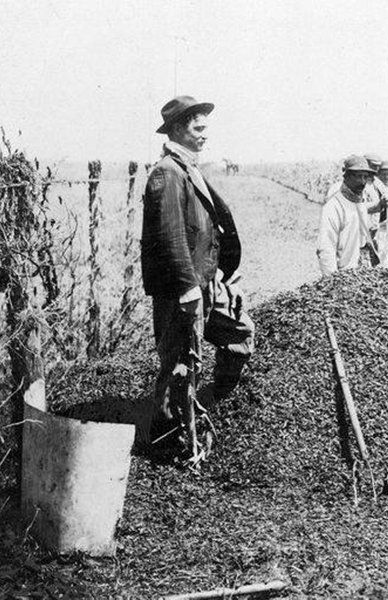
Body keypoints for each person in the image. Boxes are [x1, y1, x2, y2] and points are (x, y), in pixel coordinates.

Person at [141, 95, 255, 466]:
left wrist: (223, 271)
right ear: (177, 129)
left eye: (206, 127)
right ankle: (165, 438)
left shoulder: (188, 168)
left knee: (238, 333)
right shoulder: (167, 173)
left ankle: (204, 409)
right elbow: (172, 238)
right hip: (182, 289)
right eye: (197, 127)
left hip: (205, 281)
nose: (205, 134)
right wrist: (189, 288)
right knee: (178, 362)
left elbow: (208, 228)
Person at [317, 155, 377, 275]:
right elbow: (325, 247)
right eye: (358, 177)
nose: (363, 182)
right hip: (343, 275)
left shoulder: (360, 202)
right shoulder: (334, 206)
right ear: (347, 176)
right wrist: (332, 282)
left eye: (365, 177)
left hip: (362, 272)